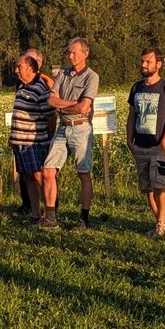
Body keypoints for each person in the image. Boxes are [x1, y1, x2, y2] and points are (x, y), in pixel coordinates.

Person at [126, 47, 165, 237]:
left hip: (159, 145)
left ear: (158, 64)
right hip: (140, 145)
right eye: (142, 61)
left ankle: (161, 222)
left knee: (159, 184)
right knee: (148, 187)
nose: (143, 65)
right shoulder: (136, 88)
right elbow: (132, 115)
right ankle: (160, 222)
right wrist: (129, 140)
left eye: (148, 61)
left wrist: (164, 143)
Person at [44, 38, 99, 229]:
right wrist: (73, 104)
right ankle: (50, 216)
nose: (70, 56)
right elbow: (51, 101)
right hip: (63, 127)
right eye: (69, 52)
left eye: (74, 52)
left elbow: (84, 107)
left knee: (83, 173)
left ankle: (84, 217)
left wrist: (66, 104)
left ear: (85, 53)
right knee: (48, 170)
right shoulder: (62, 74)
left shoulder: (92, 77)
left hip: (81, 129)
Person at [9, 54, 56, 226]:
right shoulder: (22, 86)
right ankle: (34, 214)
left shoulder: (40, 88)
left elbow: (50, 117)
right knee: (28, 177)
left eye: (19, 66)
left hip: (35, 142)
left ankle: (49, 212)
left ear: (30, 68)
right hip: (20, 141)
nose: (16, 70)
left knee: (38, 176)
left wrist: (49, 139)